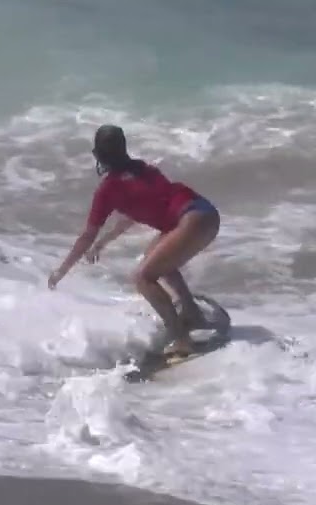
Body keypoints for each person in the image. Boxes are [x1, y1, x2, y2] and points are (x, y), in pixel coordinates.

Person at [47, 124, 220, 357]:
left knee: (142, 277)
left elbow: (87, 235)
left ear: (97, 155)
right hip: (206, 213)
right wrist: (103, 243)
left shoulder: (108, 189)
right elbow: (132, 214)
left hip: (192, 221)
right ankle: (191, 312)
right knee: (155, 256)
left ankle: (181, 338)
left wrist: (60, 272)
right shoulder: (143, 169)